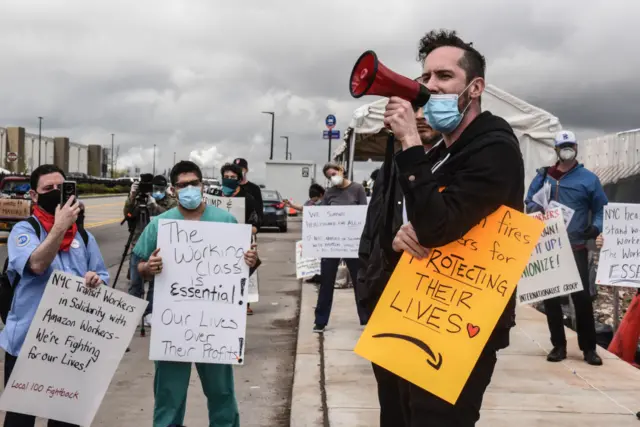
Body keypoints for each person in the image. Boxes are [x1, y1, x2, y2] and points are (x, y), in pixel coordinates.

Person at [382, 29, 525, 426]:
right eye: (425, 78)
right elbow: (432, 218)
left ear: (475, 87)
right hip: (426, 313)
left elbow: (437, 227)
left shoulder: (494, 148)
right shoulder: (447, 151)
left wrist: (411, 140)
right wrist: (401, 235)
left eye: (444, 77)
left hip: (464, 323)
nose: (430, 87)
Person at [133, 160, 258, 427]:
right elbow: (139, 266)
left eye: (194, 183)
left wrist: (251, 260)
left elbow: (244, 269)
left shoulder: (225, 221)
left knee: (221, 391)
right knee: (168, 393)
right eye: (182, 185)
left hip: (217, 325)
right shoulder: (160, 224)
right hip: (173, 324)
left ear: (202, 185)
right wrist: (149, 267)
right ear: (173, 189)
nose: (189, 189)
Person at [0, 164, 109, 427]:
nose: (55, 193)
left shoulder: (83, 236)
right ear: (34, 196)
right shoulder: (24, 231)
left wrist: (95, 281)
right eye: (48, 189)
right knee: (20, 418)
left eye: (60, 189)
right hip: (27, 343)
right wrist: (59, 227)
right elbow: (36, 265)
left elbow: (102, 276)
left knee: (65, 418)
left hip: (70, 344)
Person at [357, 106, 441, 427]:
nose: (419, 117)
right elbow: (373, 231)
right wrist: (368, 287)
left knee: (424, 403)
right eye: (412, 110)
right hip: (389, 296)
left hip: (437, 304)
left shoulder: (458, 166)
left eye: (428, 109)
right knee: (391, 398)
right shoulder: (390, 168)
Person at [525, 130, 608, 366]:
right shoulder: (544, 177)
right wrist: (534, 208)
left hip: (576, 246)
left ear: (576, 148)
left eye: (570, 145)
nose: (567, 150)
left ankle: (589, 349)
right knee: (551, 299)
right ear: (556, 150)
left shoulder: (589, 179)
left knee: (581, 298)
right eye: (563, 146)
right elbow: (529, 200)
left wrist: (595, 227)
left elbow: (602, 207)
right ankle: (558, 346)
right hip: (550, 245)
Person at [313, 163, 368, 333]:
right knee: (326, 281)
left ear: (341, 171)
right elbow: (323, 216)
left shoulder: (358, 189)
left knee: (360, 281)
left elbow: (364, 214)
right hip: (333, 243)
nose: (333, 177)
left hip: (353, 243)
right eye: (329, 176)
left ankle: (366, 317)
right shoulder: (330, 193)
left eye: (334, 173)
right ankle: (320, 320)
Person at [124, 174, 177, 327]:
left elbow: (171, 219)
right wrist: (132, 196)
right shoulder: (141, 198)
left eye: (161, 189)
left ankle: (150, 312)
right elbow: (127, 214)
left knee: (155, 284)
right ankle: (131, 312)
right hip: (138, 245)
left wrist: (154, 206)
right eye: (155, 189)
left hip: (160, 247)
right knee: (135, 283)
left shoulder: (171, 202)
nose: (157, 191)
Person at [212, 162, 261, 314]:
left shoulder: (248, 198)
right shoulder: (214, 196)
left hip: (240, 244)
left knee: (241, 273)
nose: (228, 179)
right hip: (217, 244)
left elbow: (255, 226)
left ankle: (242, 303)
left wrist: (240, 229)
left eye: (232, 177)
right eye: (226, 177)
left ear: (239, 179)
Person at [233, 158, 264, 222]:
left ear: (246, 170)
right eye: (235, 169)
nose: (238, 171)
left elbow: (259, 210)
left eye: (241, 168)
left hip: (247, 226)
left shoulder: (255, 188)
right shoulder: (230, 187)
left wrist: (255, 226)